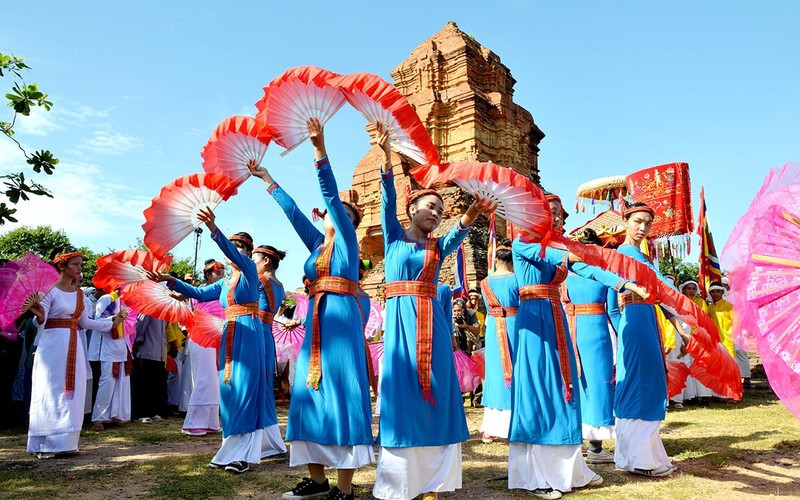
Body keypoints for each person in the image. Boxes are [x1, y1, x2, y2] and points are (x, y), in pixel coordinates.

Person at [249, 118, 372, 500]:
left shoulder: (348, 244)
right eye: (338, 216)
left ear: (351, 224)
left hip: (340, 320)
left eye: (346, 217)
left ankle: (345, 488)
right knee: (306, 392)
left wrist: (319, 150)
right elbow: (294, 212)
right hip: (316, 322)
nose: (338, 217)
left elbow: (332, 198)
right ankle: (318, 481)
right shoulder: (318, 245)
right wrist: (267, 178)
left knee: (342, 391)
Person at [373, 122, 496, 500]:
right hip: (401, 326)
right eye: (430, 206)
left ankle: (434, 485)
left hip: (434, 326)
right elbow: (385, 196)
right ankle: (399, 484)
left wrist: (472, 212)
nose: (435, 214)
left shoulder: (436, 247)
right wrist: (386, 155)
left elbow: (458, 234)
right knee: (401, 393)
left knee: (440, 392)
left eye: (440, 210)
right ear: (412, 209)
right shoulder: (394, 238)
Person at [510, 224, 648, 498]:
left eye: (559, 214)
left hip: (557, 320)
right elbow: (561, 257)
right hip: (534, 322)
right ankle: (535, 475)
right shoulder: (522, 243)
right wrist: (592, 253)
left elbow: (588, 270)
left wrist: (626, 283)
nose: (557, 218)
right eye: (552, 211)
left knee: (566, 392)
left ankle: (570, 470)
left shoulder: (559, 249)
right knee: (541, 392)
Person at [149, 213, 270, 474]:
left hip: (248, 330)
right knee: (228, 390)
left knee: (245, 389)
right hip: (230, 331)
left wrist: (214, 228)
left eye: (240, 246)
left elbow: (232, 253)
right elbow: (199, 293)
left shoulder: (249, 271)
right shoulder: (226, 282)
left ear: (248, 253)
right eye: (234, 245)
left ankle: (244, 455)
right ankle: (230, 448)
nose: (235, 250)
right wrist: (168, 279)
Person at [27, 250, 124, 459]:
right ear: (62, 266)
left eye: (80, 264)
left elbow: (85, 323)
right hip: (52, 345)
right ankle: (45, 443)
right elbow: (38, 322)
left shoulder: (80, 295)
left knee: (74, 390)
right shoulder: (49, 291)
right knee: (50, 389)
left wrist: (111, 323)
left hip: (74, 344)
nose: (80, 269)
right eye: (75, 264)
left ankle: (66, 441)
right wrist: (40, 316)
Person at [607, 202, 677, 478]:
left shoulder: (641, 255)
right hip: (635, 321)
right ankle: (640, 460)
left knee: (645, 381)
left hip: (643, 320)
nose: (642, 227)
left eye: (648, 223)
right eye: (637, 221)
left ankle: (638, 456)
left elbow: (661, 290)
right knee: (642, 384)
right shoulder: (623, 254)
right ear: (626, 221)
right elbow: (611, 302)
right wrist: (625, 327)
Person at [560, 229, 617, 464]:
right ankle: (596, 446)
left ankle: (577, 440)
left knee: (576, 383)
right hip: (596, 332)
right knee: (599, 384)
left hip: (570, 331)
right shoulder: (604, 274)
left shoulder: (564, 276)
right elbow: (613, 311)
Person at [252, 244, 289, 459]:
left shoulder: (261, 280)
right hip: (267, 332)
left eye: (255, 259)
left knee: (256, 384)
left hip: (256, 329)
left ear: (266, 261)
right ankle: (269, 438)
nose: (252, 264)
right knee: (264, 384)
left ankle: (259, 439)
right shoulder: (280, 284)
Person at [478, 241, 517, 444]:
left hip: (494, 326)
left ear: (495, 260)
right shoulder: (517, 280)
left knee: (494, 373)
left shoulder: (485, 283)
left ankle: (491, 427)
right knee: (516, 369)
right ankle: (514, 422)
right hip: (513, 324)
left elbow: (486, 307)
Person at [181, 260, 224, 436]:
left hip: (217, 337)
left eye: (222, 273)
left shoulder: (223, 293)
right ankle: (194, 422)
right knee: (204, 378)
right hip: (201, 337)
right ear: (207, 274)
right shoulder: (197, 293)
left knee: (214, 380)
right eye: (217, 273)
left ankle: (211, 422)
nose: (221, 276)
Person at [90, 289, 132, 430]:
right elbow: (98, 322)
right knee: (107, 381)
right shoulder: (107, 299)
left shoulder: (127, 301)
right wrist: (114, 318)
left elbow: (130, 325)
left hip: (123, 345)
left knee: (122, 381)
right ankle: (99, 418)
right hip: (108, 346)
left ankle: (119, 414)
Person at [132, 313, 168, 422]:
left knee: (157, 383)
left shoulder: (163, 310)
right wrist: (138, 341)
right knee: (145, 383)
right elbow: (140, 327)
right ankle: (142, 413)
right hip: (148, 350)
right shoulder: (148, 309)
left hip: (160, 352)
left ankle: (155, 411)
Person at [721, 276, 752, 387]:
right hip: (724, 330)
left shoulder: (737, 296)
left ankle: (746, 377)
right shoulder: (718, 298)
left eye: (725, 284)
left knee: (741, 352)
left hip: (739, 328)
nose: (723, 286)